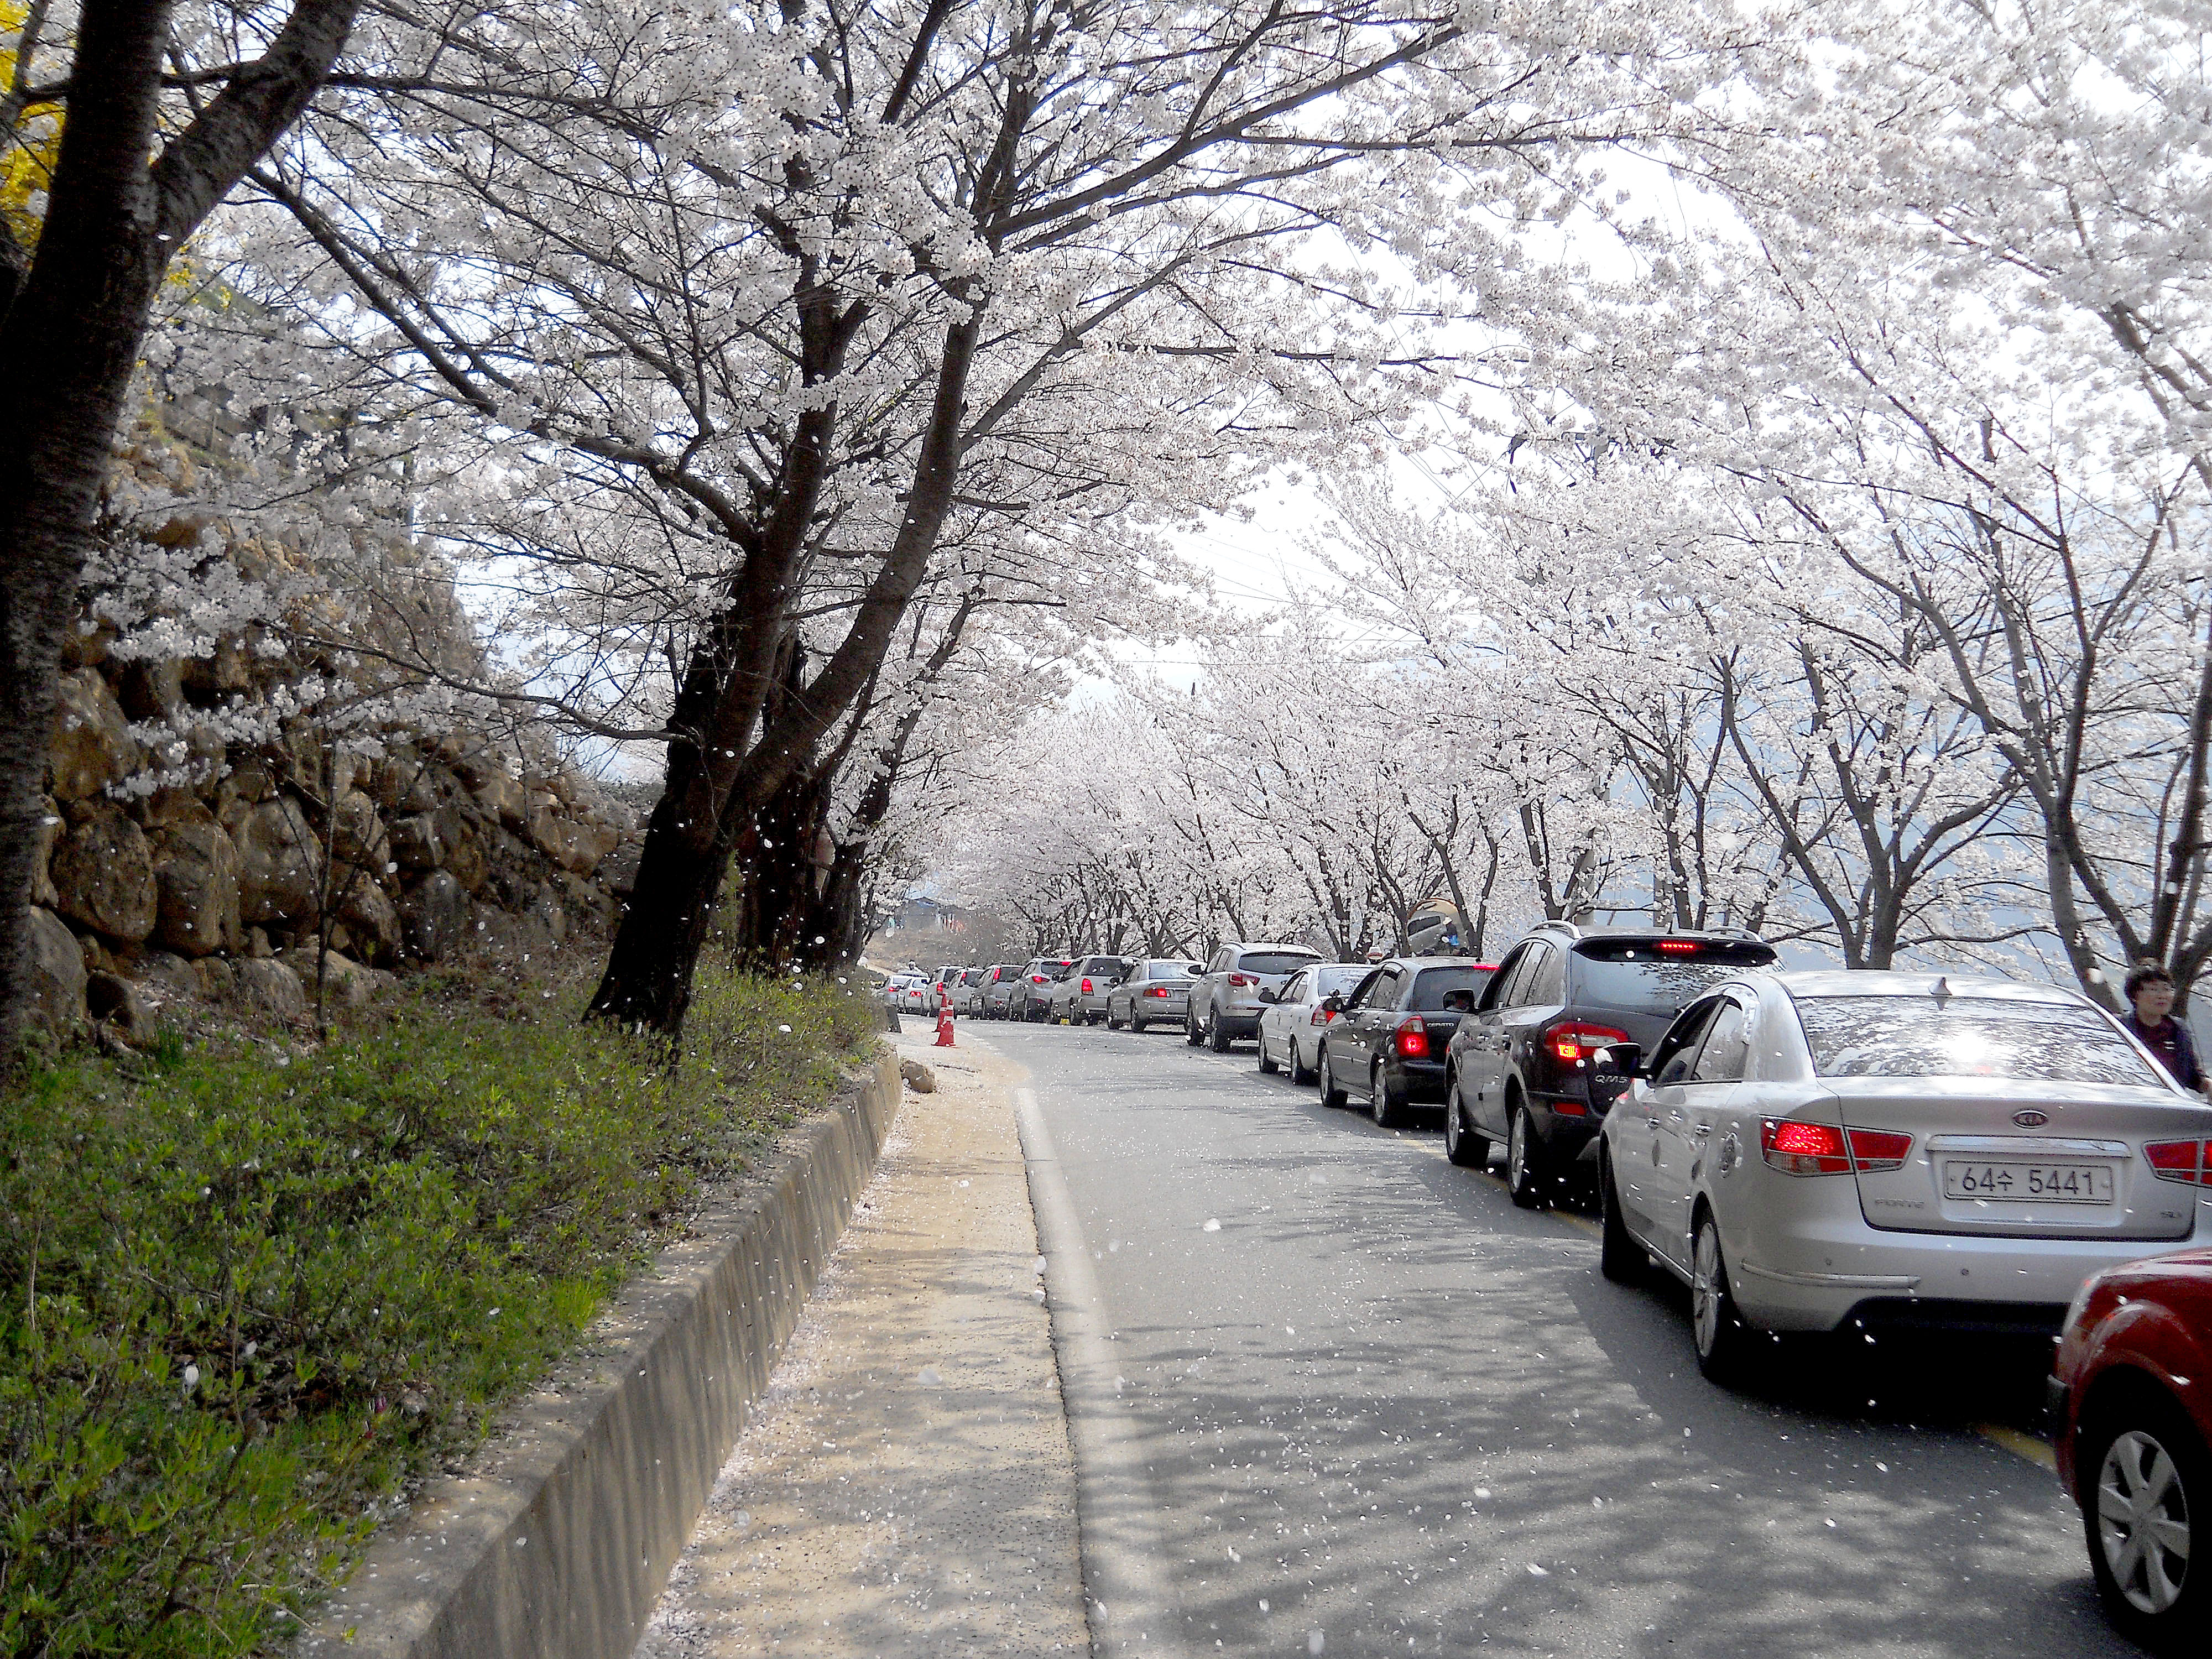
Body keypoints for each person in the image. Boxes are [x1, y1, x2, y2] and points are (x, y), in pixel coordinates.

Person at [2122, 963, 2205, 1093]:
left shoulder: (2178, 1029)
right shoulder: (2119, 1027)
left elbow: (2193, 1076)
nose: (2162, 995)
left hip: (2171, 1104)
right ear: (2134, 996)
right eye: (2154, 989)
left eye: (2167, 989)